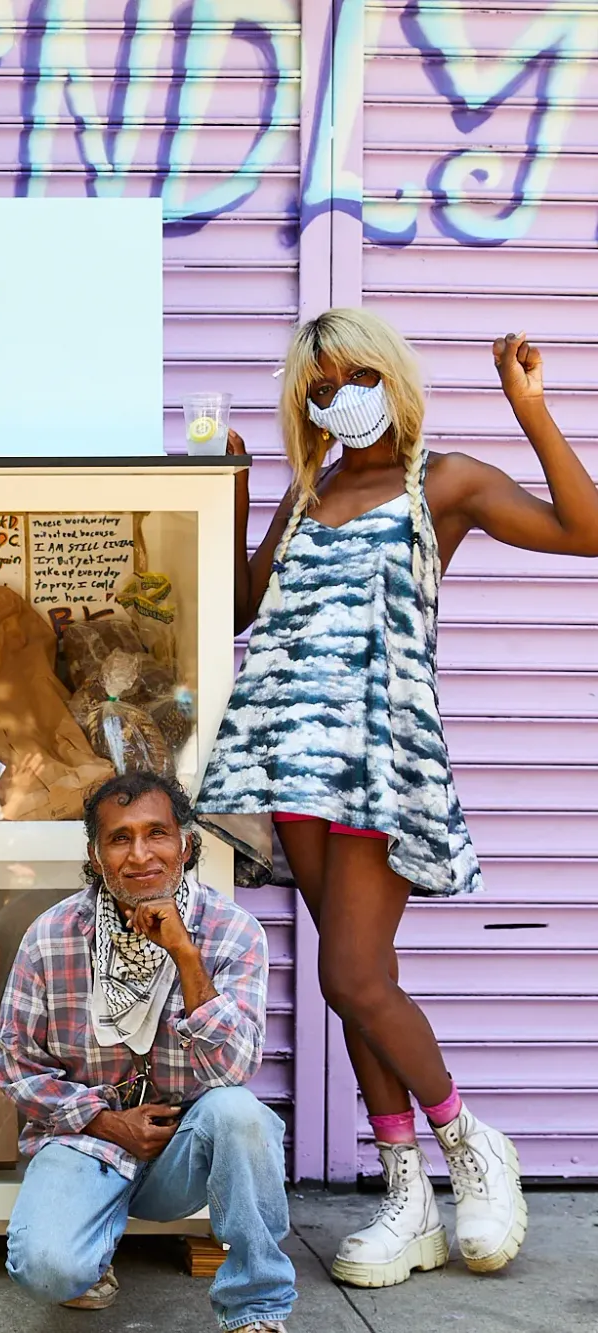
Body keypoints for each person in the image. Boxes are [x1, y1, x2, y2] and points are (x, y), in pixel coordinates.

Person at [201, 311, 598, 1287]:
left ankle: (469, 1144)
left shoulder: (441, 479)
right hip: (284, 752)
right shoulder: (311, 489)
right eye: (319, 384)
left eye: (354, 374)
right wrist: (244, 486)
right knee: (350, 981)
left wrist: (530, 408)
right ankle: (405, 1198)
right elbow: (246, 609)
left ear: (390, 374)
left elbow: (583, 532)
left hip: (376, 756)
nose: (340, 395)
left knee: (352, 974)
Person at [0, 772, 293, 1333]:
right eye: (119, 838)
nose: (140, 855)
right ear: (95, 853)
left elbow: (234, 1070)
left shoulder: (232, 931)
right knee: (47, 1272)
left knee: (242, 1116)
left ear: (186, 842)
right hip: (86, 1138)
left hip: (186, 1146)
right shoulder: (52, 935)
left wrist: (185, 953)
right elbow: (14, 1063)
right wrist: (107, 1123)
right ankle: (88, 1254)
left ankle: (256, 1309)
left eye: (157, 834)